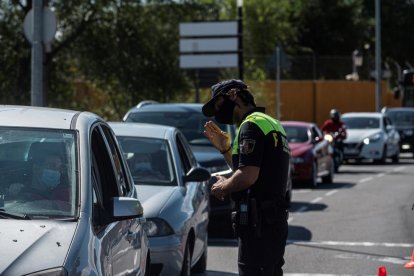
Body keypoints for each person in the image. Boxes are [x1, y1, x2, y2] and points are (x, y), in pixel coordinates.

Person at [202, 79, 291, 276]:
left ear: (233, 96)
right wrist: (225, 148)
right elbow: (246, 169)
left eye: (219, 105)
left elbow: (247, 177)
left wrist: (222, 187)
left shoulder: (250, 126)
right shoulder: (271, 123)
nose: (218, 112)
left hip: (258, 224)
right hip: (272, 221)